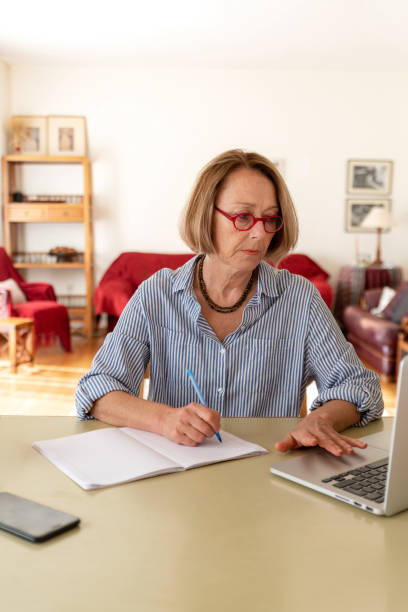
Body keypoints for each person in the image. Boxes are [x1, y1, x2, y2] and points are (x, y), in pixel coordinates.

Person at [76, 149, 383, 455]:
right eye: (244, 217)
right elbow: (97, 389)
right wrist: (164, 420)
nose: (259, 234)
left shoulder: (300, 300)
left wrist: (322, 419)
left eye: (270, 219)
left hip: (267, 474)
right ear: (205, 215)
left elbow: (359, 386)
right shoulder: (156, 295)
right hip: (174, 479)